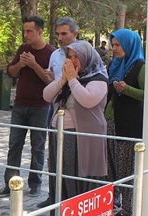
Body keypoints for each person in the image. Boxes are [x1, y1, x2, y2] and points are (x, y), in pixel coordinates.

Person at [0, 16, 55, 198]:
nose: (26, 35)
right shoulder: (23, 49)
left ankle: (35, 184)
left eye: (30, 31)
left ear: (40, 32)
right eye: (24, 30)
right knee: (14, 145)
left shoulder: (51, 53)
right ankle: (10, 183)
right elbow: (11, 72)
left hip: (41, 107)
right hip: (20, 105)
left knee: (38, 146)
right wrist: (21, 63)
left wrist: (34, 64)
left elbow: (49, 80)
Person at [42, 40, 108, 202]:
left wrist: (72, 80)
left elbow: (88, 99)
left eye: (76, 57)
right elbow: (46, 96)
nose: (72, 61)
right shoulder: (70, 79)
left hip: (82, 138)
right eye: (69, 57)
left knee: (77, 175)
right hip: (60, 136)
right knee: (61, 173)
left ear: (86, 58)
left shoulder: (98, 79)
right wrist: (62, 81)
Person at [36, 16, 78, 209]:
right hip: (55, 108)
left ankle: (70, 198)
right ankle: (53, 195)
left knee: (70, 160)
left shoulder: (82, 54)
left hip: (74, 114)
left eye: (64, 34)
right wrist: (51, 78)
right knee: (52, 154)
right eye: (58, 34)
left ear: (74, 34)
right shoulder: (55, 55)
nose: (60, 38)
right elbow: (51, 83)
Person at [106, 28, 145, 216]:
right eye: (113, 45)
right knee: (111, 164)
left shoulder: (140, 66)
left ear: (129, 45)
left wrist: (127, 89)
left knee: (125, 166)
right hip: (111, 121)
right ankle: (113, 200)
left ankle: (128, 207)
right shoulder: (115, 64)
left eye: (118, 45)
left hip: (129, 124)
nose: (114, 48)